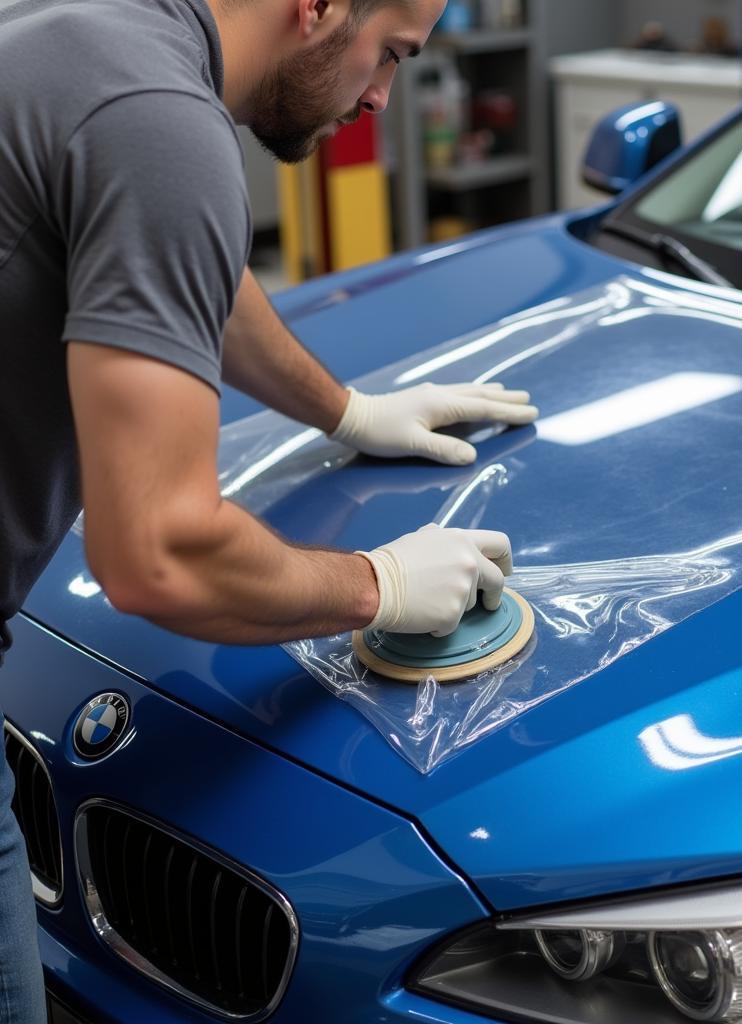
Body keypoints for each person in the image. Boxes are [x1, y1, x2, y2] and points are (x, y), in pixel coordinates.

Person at [0, 0, 538, 1017]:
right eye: (391, 52)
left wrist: (347, 409)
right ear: (321, 8)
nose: (382, 95)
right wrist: (375, 583)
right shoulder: (163, 119)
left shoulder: (100, 33)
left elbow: (185, 259)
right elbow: (156, 556)